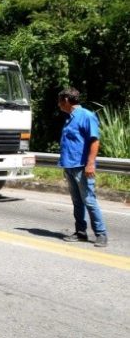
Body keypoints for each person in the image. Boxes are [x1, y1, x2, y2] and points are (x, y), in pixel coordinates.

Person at [57, 88, 108, 247]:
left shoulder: (86, 116)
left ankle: (101, 234)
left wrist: (90, 164)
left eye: (59, 101)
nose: (58, 105)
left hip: (82, 167)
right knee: (77, 202)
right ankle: (80, 232)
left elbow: (95, 140)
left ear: (66, 100)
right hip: (70, 166)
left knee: (89, 201)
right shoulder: (69, 118)